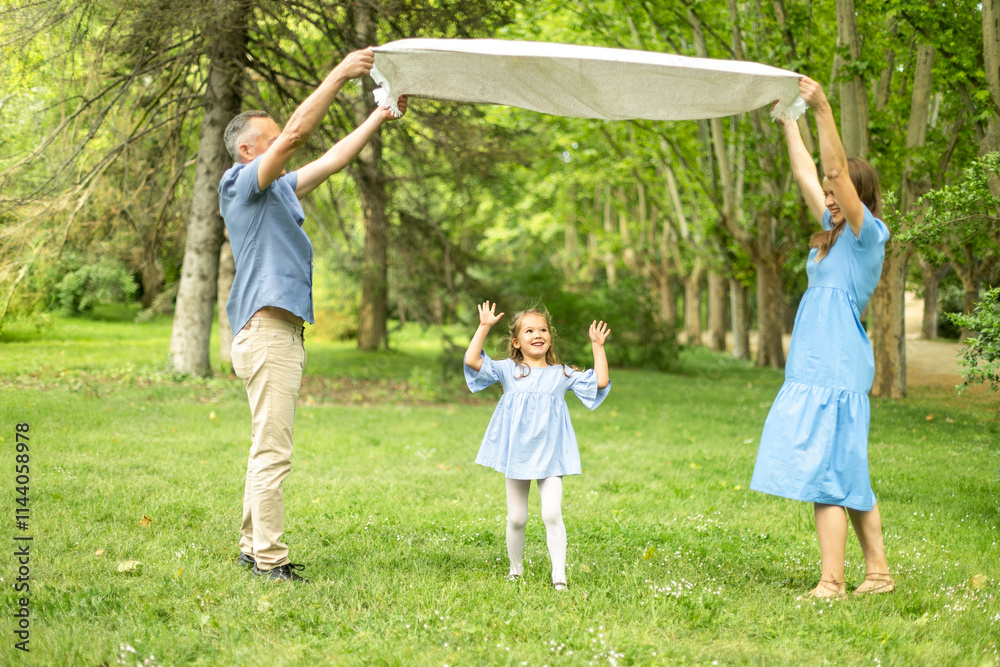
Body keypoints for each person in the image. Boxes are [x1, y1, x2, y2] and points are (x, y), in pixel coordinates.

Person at [219, 48, 408, 582]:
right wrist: (341, 73)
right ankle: (269, 562)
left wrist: (378, 114)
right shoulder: (240, 185)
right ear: (246, 148)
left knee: (265, 446)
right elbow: (300, 136)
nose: (283, 140)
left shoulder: (276, 188)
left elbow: (331, 160)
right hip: (267, 330)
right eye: (272, 137)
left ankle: (251, 546)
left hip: (278, 331)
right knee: (273, 452)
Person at [749, 76, 893, 598]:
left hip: (837, 368)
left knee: (828, 475)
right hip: (815, 366)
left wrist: (825, 109)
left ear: (857, 195)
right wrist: (790, 122)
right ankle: (877, 574)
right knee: (846, 470)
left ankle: (832, 581)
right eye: (829, 197)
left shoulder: (866, 237)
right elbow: (810, 173)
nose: (828, 198)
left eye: (838, 195)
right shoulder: (832, 236)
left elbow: (831, 169)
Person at [464, 301, 611, 590]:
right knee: (517, 517)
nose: (538, 334)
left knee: (552, 514)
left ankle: (559, 576)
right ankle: (515, 570)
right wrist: (483, 327)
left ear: (550, 337)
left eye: (543, 329)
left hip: (551, 456)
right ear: (517, 342)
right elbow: (472, 361)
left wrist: (598, 346)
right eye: (529, 330)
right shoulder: (508, 370)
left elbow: (601, 381)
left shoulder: (562, 373)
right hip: (517, 454)